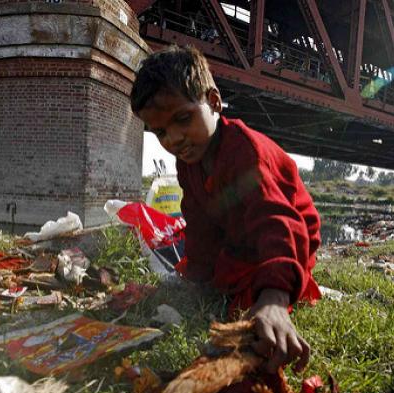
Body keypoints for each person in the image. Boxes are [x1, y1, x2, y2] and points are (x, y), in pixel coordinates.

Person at [130, 46, 321, 374]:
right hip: (241, 241)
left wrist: (274, 298)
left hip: (289, 239)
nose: (174, 138)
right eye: (160, 131)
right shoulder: (188, 161)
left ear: (214, 102)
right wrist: (198, 281)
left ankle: (285, 285)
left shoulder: (245, 152)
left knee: (248, 305)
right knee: (211, 280)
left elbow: (277, 222)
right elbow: (200, 224)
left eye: (183, 118)